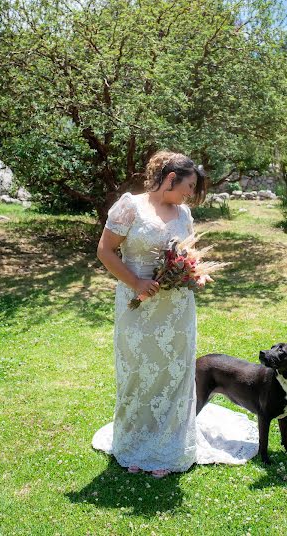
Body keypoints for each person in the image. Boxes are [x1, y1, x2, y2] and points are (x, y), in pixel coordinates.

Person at [96, 151, 206, 478]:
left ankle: (169, 447)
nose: (190, 194)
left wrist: (191, 272)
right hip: (138, 303)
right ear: (169, 178)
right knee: (137, 372)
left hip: (177, 309)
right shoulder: (130, 206)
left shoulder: (184, 213)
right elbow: (105, 251)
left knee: (173, 372)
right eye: (187, 186)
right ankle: (133, 443)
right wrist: (136, 282)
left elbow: (187, 253)